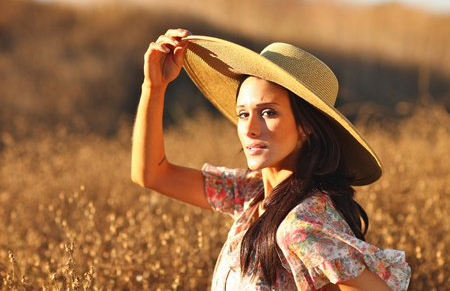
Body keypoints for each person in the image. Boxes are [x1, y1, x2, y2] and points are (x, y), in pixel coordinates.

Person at [131, 28, 411, 291]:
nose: (250, 128)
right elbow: (152, 175)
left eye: (268, 113)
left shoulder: (300, 227)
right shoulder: (253, 194)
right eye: (243, 114)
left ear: (306, 127)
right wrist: (153, 86)